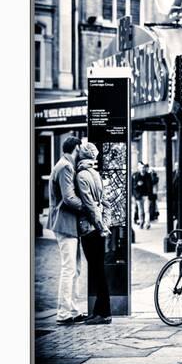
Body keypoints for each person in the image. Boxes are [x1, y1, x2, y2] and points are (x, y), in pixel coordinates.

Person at [47, 136, 87, 325]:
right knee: (69, 268)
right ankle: (64, 313)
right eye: (80, 149)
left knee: (75, 269)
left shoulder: (64, 164)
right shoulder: (65, 167)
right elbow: (69, 198)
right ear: (76, 148)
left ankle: (73, 310)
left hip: (68, 224)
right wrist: (87, 206)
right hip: (64, 223)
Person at [76, 142, 112, 325]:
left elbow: (89, 205)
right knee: (99, 269)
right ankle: (99, 310)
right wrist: (105, 223)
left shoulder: (82, 175)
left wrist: (99, 225)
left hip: (90, 229)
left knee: (97, 270)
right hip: (98, 228)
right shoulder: (95, 174)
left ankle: (104, 313)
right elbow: (105, 202)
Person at [132, 161, 153, 229]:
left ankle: (147, 223)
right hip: (139, 196)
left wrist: (150, 195)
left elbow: (150, 186)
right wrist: (138, 185)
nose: (142, 169)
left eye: (143, 168)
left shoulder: (148, 175)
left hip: (146, 195)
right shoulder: (137, 176)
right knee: (140, 210)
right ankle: (141, 223)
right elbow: (134, 186)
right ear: (139, 169)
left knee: (146, 210)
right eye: (141, 168)